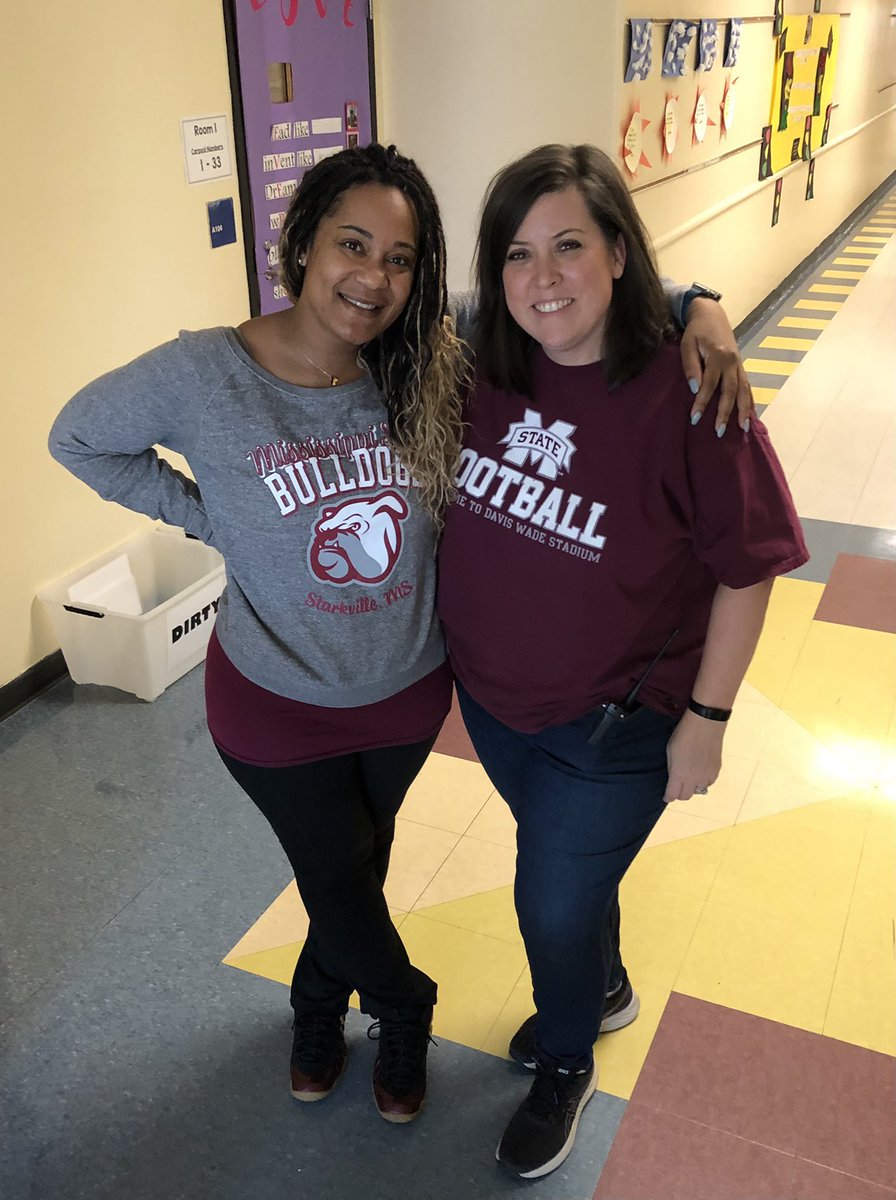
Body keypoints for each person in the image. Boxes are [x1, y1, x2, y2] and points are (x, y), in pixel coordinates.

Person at [49, 143, 751, 1130]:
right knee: (336, 875)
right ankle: (399, 1003)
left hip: (405, 695)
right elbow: (79, 436)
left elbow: (566, 284)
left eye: (401, 257)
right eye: (350, 245)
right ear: (299, 245)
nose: (371, 277)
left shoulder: (421, 348)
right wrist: (209, 517)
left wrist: (701, 306)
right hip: (274, 700)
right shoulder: (205, 373)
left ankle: (318, 1006)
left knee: (354, 874)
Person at [436, 143, 808, 1180]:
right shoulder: (475, 356)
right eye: (516, 254)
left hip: (614, 725)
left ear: (615, 251)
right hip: (500, 707)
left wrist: (710, 718)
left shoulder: (688, 388)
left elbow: (749, 567)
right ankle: (597, 988)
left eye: (567, 246)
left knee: (547, 900)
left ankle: (565, 1058)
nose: (541, 278)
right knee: (569, 875)